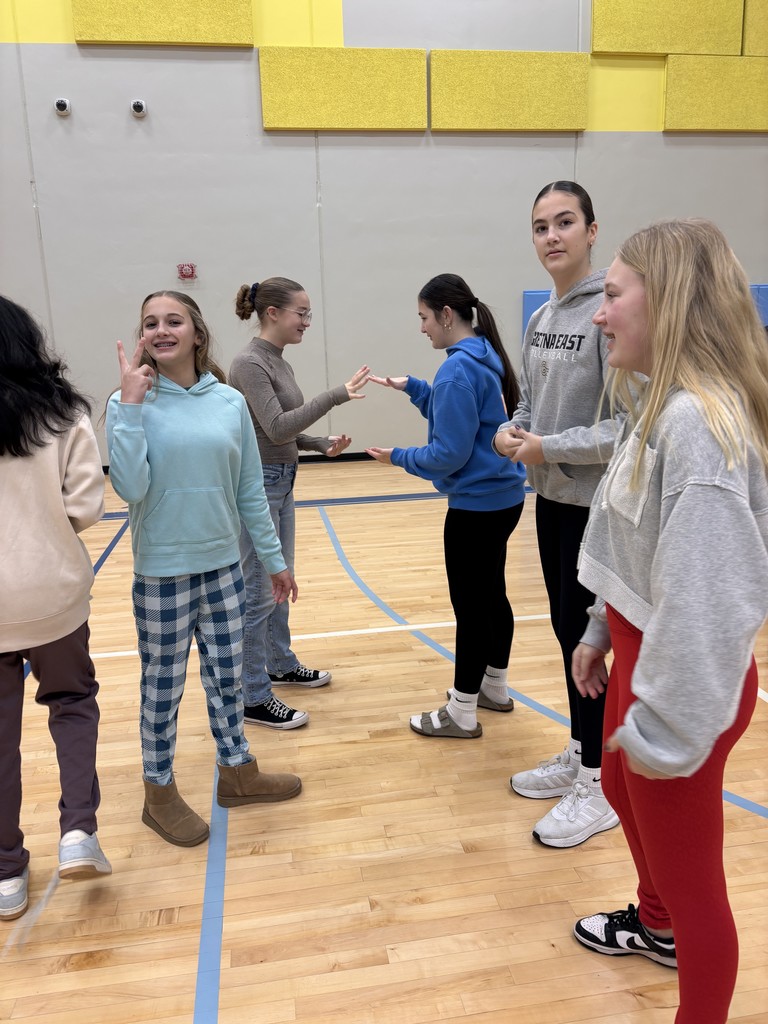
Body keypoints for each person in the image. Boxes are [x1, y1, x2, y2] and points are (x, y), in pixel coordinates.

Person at [570, 219, 768, 1024]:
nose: (598, 312)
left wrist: (671, 725)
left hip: (685, 676)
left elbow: (711, 600)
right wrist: (597, 630)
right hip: (642, 651)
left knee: (697, 882)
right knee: (617, 781)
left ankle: (692, 983)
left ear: (672, 301)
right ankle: (653, 926)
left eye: (613, 294)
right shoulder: (660, 405)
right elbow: (631, 534)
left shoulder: (698, 426)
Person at [106, 291, 302, 848]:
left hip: (222, 568)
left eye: (174, 321)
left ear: (197, 332)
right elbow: (129, 488)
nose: (162, 330)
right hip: (162, 573)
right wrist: (131, 407)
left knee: (225, 679)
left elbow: (248, 491)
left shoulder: (228, 402)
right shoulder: (130, 401)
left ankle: (238, 773)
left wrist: (273, 560)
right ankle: (158, 793)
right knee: (162, 689)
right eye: (151, 323)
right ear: (141, 336)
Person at [493, 181, 619, 848]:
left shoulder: (608, 313)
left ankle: (599, 785)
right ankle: (581, 750)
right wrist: (511, 434)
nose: (552, 236)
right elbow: (529, 408)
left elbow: (626, 428)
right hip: (552, 502)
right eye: (541, 225)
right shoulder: (543, 318)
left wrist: (548, 446)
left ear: (592, 230)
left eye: (565, 222)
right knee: (568, 634)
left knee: (589, 644)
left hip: (598, 511)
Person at [367, 273, 527, 737]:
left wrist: (396, 456)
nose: (422, 328)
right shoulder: (483, 354)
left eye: (423, 318)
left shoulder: (457, 368)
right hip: (504, 499)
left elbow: (448, 454)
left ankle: (461, 710)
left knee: (472, 607)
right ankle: (494, 687)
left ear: (446, 315)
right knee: (492, 596)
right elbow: (466, 420)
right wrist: (413, 387)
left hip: (476, 507)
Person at [0, 296, 111, 921]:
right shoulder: (64, 411)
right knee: (71, 705)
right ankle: (77, 833)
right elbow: (86, 506)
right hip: (53, 593)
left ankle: (5, 872)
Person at [230, 278, 369, 729]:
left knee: (280, 583)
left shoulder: (276, 360)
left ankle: (280, 663)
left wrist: (317, 443)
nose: (307, 321)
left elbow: (282, 430)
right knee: (259, 591)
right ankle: (253, 695)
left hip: (283, 481)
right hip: (260, 486)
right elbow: (274, 427)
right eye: (301, 313)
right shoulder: (249, 363)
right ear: (272, 313)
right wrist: (336, 395)